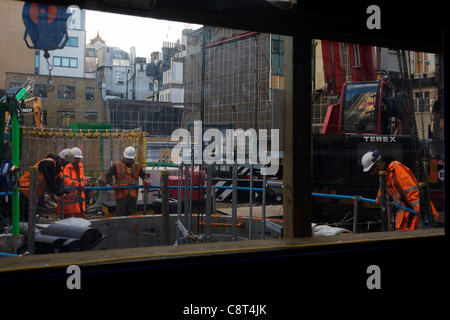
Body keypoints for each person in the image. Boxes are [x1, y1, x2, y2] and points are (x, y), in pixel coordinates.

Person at [361, 150, 439, 231]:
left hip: (416, 214)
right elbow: (382, 192)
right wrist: (378, 201)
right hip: (406, 213)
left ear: (377, 165)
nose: (371, 174)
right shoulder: (383, 175)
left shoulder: (396, 169)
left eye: (371, 171)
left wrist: (424, 215)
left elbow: (412, 192)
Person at [19, 149, 75, 220]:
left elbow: (57, 184)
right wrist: (61, 194)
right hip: (24, 190)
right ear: (63, 159)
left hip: (31, 194)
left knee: (28, 219)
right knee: (23, 219)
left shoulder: (56, 168)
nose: (66, 165)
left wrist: (66, 193)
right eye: (67, 163)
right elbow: (50, 181)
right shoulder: (48, 163)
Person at [105, 146, 150, 216]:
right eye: (127, 159)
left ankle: (131, 227)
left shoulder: (137, 166)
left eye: (130, 159)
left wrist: (145, 180)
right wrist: (112, 184)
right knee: (120, 213)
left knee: (132, 213)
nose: (129, 160)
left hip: (133, 195)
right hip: (121, 194)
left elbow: (143, 175)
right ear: (124, 156)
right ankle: (119, 226)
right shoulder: (117, 165)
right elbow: (108, 175)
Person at [56, 147, 88, 219]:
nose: (78, 160)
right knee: (67, 222)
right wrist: (78, 184)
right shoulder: (65, 167)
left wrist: (85, 182)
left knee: (80, 220)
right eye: (76, 158)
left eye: (79, 158)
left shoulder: (80, 166)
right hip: (68, 198)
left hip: (78, 200)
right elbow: (64, 181)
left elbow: (81, 178)